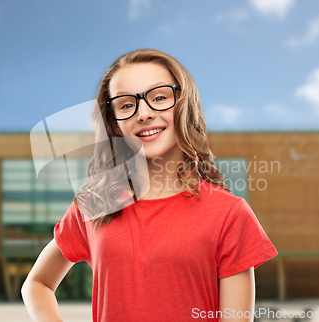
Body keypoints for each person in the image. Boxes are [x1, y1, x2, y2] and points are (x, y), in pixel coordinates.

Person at [22, 48, 278, 322]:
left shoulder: (229, 213)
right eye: (126, 104)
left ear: (183, 105)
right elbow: (37, 284)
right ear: (115, 123)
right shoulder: (96, 203)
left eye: (159, 97)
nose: (143, 113)